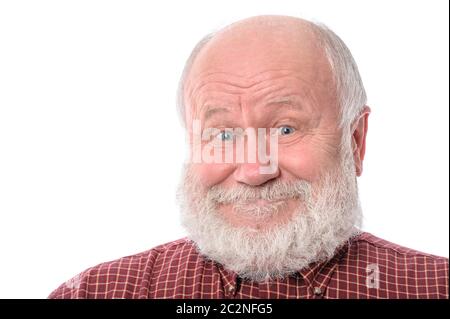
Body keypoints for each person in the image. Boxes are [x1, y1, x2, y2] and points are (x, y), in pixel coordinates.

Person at [49, 15, 448, 299]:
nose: (255, 171)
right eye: (223, 134)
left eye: (285, 129)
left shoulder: (436, 288)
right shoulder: (92, 294)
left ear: (355, 141)